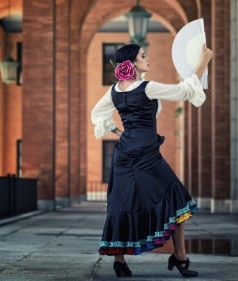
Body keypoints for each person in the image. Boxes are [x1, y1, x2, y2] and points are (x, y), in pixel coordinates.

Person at [91, 43, 213, 278]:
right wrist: (204, 61)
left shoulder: (115, 90)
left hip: (124, 154)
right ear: (133, 63)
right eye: (143, 56)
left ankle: (120, 261)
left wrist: (117, 133)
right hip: (146, 155)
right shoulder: (148, 87)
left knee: (121, 205)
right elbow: (184, 92)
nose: (148, 59)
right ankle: (180, 256)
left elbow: (97, 114)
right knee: (176, 197)